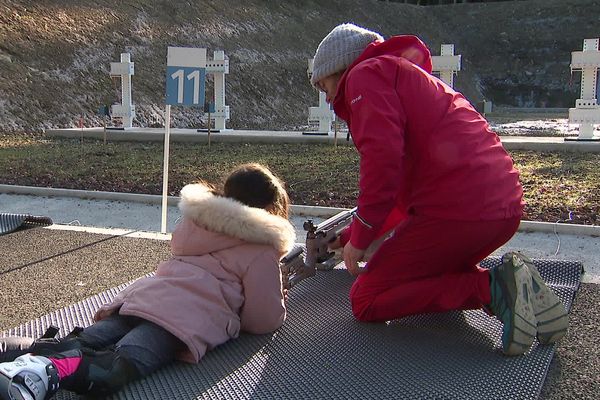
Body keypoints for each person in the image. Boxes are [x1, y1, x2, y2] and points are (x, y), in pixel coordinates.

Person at [310, 23, 569, 356]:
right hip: (497, 207)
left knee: (366, 299)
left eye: (324, 84)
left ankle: (493, 288)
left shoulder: (365, 76)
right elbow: (403, 194)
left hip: (460, 210)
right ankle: (523, 292)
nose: (327, 96)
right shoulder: (399, 75)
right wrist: (354, 232)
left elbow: (383, 164)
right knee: (431, 272)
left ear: (339, 68)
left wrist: (362, 240)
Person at [0, 163, 296, 399]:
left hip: (142, 299)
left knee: (81, 340)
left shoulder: (198, 225)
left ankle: (11, 350)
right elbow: (262, 320)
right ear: (271, 211)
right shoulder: (261, 250)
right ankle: (47, 372)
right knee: (117, 366)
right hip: (182, 320)